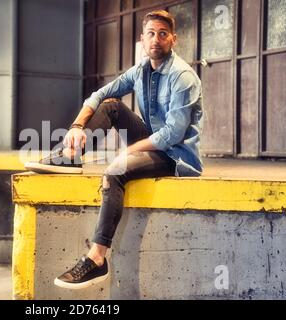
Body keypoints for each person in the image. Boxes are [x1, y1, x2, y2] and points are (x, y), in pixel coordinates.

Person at [25, 10, 203, 289]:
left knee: (115, 171)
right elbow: (98, 95)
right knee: (111, 105)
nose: (156, 39)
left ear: (173, 40)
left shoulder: (183, 77)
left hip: (177, 156)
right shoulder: (141, 70)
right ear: (142, 39)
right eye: (151, 33)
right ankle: (70, 157)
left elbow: (173, 134)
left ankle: (97, 260)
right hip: (153, 141)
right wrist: (76, 126)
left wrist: (128, 152)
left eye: (163, 34)